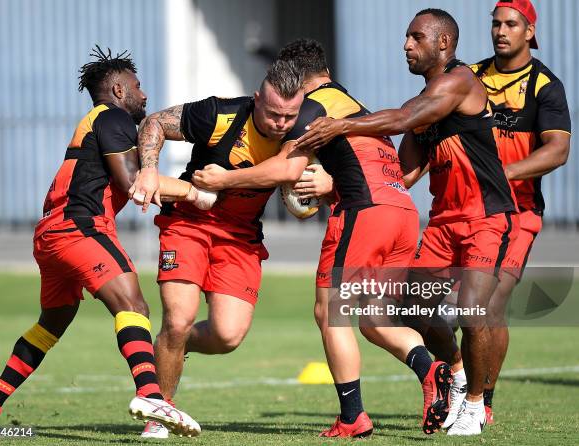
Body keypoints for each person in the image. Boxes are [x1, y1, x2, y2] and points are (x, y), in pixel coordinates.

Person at [193, 38, 454, 437]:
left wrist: (225, 178)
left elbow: (284, 170)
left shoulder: (313, 109)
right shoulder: (353, 106)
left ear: (300, 80)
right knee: (373, 318)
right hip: (401, 212)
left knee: (329, 312)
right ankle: (430, 368)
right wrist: (332, 183)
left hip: (364, 214)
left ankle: (353, 416)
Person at [293, 10, 520, 436]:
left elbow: (400, 117)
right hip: (442, 223)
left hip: (486, 217)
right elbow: (403, 174)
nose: (406, 45)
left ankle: (475, 405)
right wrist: (336, 185)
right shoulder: (427, 110)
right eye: (406, 37)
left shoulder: (459, 81)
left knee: (472, 312)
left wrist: (340, 125)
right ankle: (453, 374)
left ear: (444, 44)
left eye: (416, 37)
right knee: (414, 310)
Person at [0, 47, 201, 437]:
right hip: (81, 228)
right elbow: (134, 182)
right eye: (137, 87)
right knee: (133, 304)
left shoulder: (94, 121)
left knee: (51, 324)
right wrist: (198, 193)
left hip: (51, 234)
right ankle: (151, 398)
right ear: (117, 89)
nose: (144, 95)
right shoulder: (111, 117)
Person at [128, 60, 304, 439]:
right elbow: (154, 122)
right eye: (273, 113)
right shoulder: (221, 114)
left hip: (240, 237)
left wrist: (319, 189)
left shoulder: (304, 130)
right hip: (188, 223)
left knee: (227, 336)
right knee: (177, 319)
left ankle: (170, 347)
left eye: (289, 116)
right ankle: (160, 414)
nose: (280, 123)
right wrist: (148, 167)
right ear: (256, 100)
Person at [468, 0, 571, 425]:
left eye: (511, 24)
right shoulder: (469, 77)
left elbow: (558, 150)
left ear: (529, 31)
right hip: (465, 210)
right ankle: (457, 378)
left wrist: (502, 173)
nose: (501, 31)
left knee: (489, 307)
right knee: (438, 307)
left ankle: (482, 401)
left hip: (517, 212)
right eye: (496, 24)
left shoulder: (545, 85)